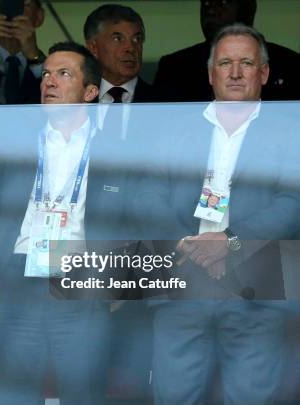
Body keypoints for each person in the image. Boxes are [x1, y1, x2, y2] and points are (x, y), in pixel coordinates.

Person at [0, 41, 140, 404]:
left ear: (91, 92)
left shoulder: (119, 151)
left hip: (84, 278)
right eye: (46, 73)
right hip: (18, 278)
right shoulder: (15, 146)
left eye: (64, 74)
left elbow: (133, 219)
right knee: (10, 395)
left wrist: (119, 285)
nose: (50, 81)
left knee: (83, 395)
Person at [137, 24, 300, 404]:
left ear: (264, 73)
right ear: (211, 74)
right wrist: (187, 243)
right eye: (225, 63)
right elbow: (146, 193)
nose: (236, 72)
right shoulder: (173, 127)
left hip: (257, 288)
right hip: (181, 281)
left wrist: (230, 241)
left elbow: (292, 202)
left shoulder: (293, 129)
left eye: (246, 62)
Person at [154, 0, 300, 101]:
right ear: (211, 72)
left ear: (247, 9)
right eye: (205, 3)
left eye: (222, 3)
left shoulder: (289, 63)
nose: (210, 10)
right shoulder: (174, 67)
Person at [83, 4, 158, 103]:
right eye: (118, 39)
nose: (131, 48)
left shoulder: (166, 101)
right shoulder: (76, 101)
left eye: (136, 39)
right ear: (93, 47)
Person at [0, 0, 46, 104]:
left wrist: (34, 58)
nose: (10, 14)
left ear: (39, 17)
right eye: (0, 4)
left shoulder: (52, 65)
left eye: (25, 5)